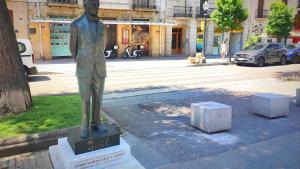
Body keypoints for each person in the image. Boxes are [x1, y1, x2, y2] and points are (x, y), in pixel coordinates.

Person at [69, 0, 107, 138]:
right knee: (85, 98)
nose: (96, 7)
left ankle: (96, 121)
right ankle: (84, 125)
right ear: (85, 6)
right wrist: (82, 59)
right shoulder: (76, 25)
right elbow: (73, 48)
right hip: (84, 66)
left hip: (100, 66)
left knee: (99, 96)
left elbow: (103, 45)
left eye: (98, 5)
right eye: (93, 5)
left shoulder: (102, 26)